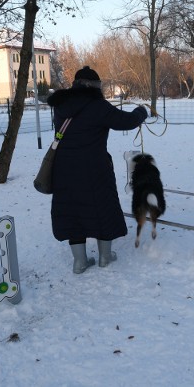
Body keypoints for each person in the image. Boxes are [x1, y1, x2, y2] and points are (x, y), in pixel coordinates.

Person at [47, 66, 148, 273]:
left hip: (64, 170)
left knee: (73, 212)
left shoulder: (60, 105)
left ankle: (79, 262)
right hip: (95, 168)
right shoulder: (98, 106)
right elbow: (126, 121)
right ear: (95, 86)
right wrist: (141, 111)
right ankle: (105, 257)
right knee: (103, 209)